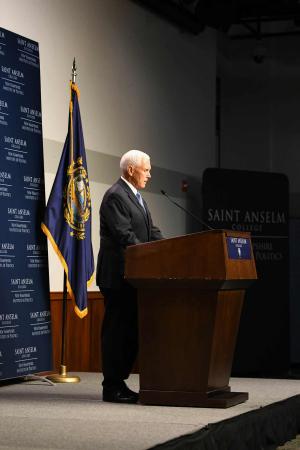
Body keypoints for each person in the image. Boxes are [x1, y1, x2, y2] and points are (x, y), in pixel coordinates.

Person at [96, 149, 163, 403]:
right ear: (131, 170)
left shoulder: (136, 197)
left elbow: (150, 231)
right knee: (116, 332)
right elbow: (125, 236)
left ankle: (119, 383)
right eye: (146, 169)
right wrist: (150, 254)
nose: (149, 174)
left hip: (134, 276)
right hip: (118, 276)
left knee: (130, 331)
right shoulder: (115, 196)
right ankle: (111, 386)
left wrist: (170, 248)